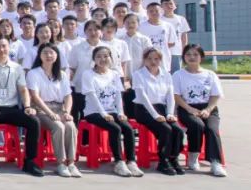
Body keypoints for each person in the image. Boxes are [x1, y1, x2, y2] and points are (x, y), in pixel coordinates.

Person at [0, 34, 44, 177]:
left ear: (9, 47)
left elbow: (23, 90)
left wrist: (27, 106)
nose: (1, 49)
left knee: (34, 121)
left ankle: (29, 161)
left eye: (4, 46)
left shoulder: (17, 67)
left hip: (11, 108)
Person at [81, 46, 143, 177]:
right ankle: (119, 162)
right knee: (115, 128)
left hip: (112, 111)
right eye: (98, 56)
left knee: (128, 128)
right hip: (94, 112)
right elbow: (92, 96)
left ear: (111, 58)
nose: (102, 59)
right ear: (93, 59)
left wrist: (120, 112)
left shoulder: (114, 74)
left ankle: (131, 161)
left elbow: (118, 95)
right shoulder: (88, 74)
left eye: (106, 56)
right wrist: (104, 114)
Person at [26, 44, 80, 178]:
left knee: (70, 126)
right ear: (40, 55)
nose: (49, 55)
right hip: (41, 109)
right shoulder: (33, 73)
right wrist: (50, 113)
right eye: (45, 53)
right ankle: (61, 163)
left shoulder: (62, 74)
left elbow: (68, 96)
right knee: (59, 127)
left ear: (57, 56)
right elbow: (35, 97)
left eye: (52, 53)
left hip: (59, 108)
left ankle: (71, 163)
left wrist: (67, 112)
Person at [173, 44, 227, 177]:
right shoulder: (178, 75)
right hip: (186, 107)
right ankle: (193, 156)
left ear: (201, 57)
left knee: (212, 129)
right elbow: (176, 96)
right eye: (188, 54)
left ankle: (215, 162)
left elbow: (215, 95)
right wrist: (189, 108)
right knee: (197, 125)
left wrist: (208, 110)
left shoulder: (210, 75)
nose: (192, 57)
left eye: (195, 54)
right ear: (183, 57)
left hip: (209, 108)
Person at [132, 47, 186, 176]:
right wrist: (155, 115)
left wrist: (170, 113)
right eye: (149, 58)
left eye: (156, 59)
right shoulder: (138, 74)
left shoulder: (166, 75)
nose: (153, 61)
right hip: (144, 109)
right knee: (165, 129)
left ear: (160, 60)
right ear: (144, 60)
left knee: (178, 130)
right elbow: (143, 97)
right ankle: (163, 161)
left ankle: (173, 158)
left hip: (162, 108)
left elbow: (170, 95)